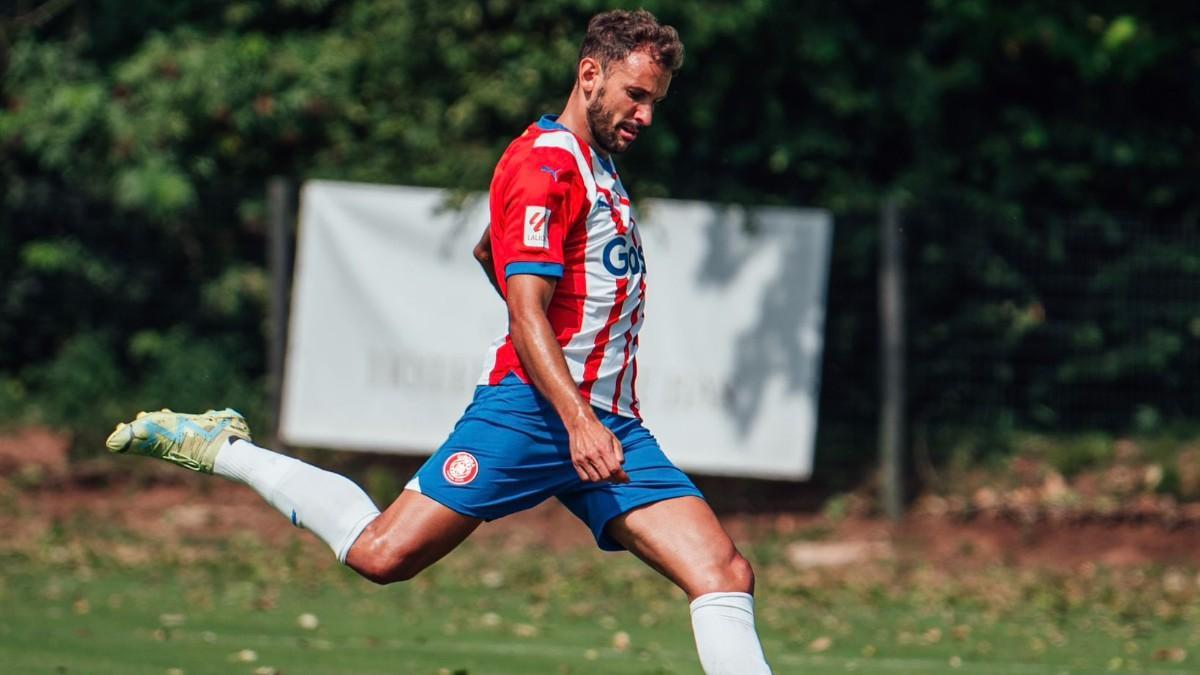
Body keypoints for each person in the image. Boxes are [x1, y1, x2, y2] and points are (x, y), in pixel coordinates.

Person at [106, 9, 771, 674]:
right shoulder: (548, 168)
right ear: (590, 74)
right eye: (636, 95)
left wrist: (581, 399)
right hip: (536, 413)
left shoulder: (594, 166)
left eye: (655, 101)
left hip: (607, 422)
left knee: (722, 570)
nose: (646, 115)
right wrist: (573, 415)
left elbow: (494, 250)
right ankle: (227, 446)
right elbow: (524, 305)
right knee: (381, 554)